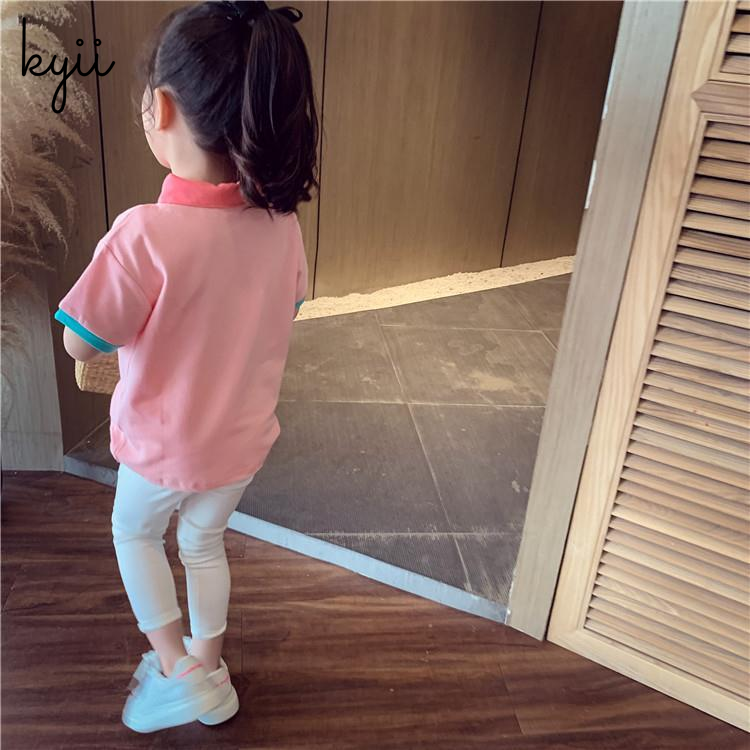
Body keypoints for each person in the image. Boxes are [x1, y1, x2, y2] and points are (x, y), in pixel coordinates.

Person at [53, 0, 317, 733]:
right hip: (240, 445)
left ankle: (177, 670)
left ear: (160, 108)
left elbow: (81, 343)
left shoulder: (143, 235)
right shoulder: (282, 227)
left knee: (136, 535)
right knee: (202, 542)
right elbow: (284, 308)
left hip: (162, 449)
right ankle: (210, 664)